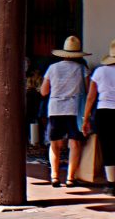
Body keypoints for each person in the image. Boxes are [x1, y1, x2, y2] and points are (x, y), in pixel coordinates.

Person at [41, 36, 90, 187]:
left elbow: (44, 91)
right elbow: (88, 90)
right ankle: (70, 177)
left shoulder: (52, 68)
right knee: (74, 144)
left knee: (55, 144)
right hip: (74, 109)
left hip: (55, 108)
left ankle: (54, 176)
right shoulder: (82, 69)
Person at [82, 39, 115, 196]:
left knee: (108, 148)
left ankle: (111, 184)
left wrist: (85, 117)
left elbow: (91, 97)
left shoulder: (100, 72)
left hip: (104, 111)